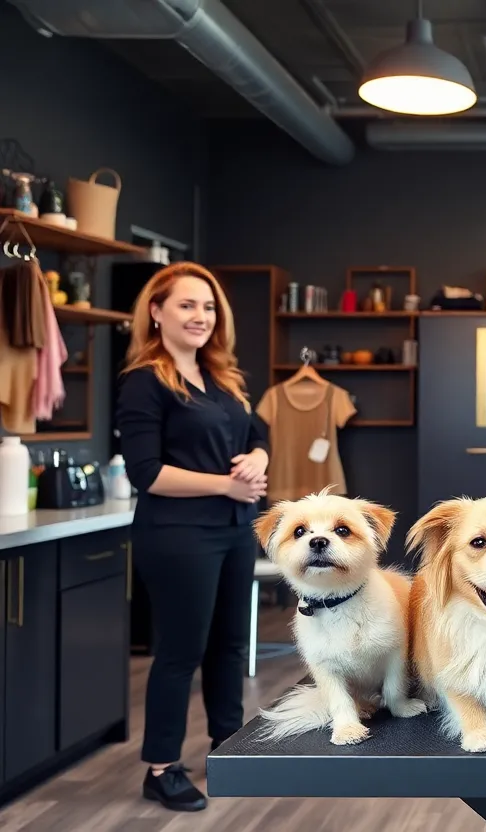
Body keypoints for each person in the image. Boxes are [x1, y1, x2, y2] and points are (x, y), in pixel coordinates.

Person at [115, 262, 269, 812]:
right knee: (181, 651)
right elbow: (146, 472)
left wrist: (259, 456)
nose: (200, 316)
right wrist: (227, 485)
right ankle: (161, 768)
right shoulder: (144, 382)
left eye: (208, 307)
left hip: (233, 531)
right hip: (179, 535)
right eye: (187, 305)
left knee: (230, 645)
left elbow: (257, 433)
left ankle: (228, 747)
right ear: (156, 312)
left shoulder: (221, 377)